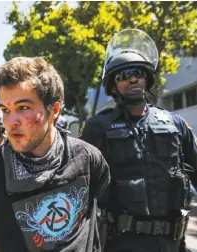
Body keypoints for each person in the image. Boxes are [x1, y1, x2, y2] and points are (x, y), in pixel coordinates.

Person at [0, 57, 110, 252]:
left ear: (54, 110)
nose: (11, 121)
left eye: (23, 108)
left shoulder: (88, 159)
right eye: (5, 109)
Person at [79, 29, 197, 252]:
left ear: (147, 77)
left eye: (137, 72)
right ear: (113, 85)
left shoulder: (176, 124)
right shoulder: (97, 127)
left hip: (173, 243)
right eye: (123, 75)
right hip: (121, 243)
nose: (132, 78)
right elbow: (81, 191)